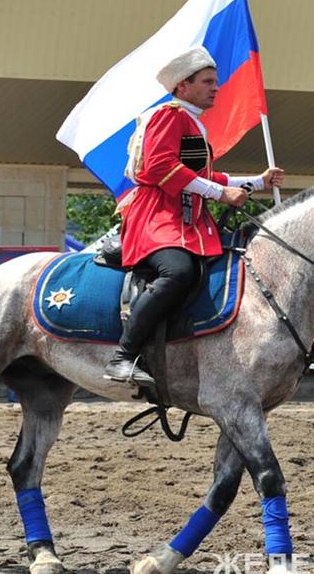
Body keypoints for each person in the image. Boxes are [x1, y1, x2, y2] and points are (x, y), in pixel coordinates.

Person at [104, 46, 283, 386]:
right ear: (183, 86)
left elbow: (204, 175)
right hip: (157, 218)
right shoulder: (168, 116)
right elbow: (159, 167)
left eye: (215, 81)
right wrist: (221, 194)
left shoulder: (192, 122)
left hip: (185, 221)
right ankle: (123, 357)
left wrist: (257, 181)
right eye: (208, 81)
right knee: (178, 272)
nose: (216, 87)